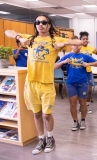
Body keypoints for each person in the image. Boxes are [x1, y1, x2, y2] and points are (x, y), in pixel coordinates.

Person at [5, 14, 83, 155]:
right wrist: (19, 38)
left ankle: (50, 138)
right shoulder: (31, 39)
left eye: (44, 22)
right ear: (35, 25)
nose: (40, 24)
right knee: (36, 114)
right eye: (38, 22)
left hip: (46, 84)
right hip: (31, 83)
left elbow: (79, 42)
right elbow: (8, 32)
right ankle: (41, 139)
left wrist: (64, 44)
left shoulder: (54, 39)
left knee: (47, 115)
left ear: (48, 25)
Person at [55, 35, 97, 131]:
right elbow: (55, 66)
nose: (76, 47)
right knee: (72, 104)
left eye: (78, 45)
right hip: (70, 83)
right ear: (71, 46)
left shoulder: (85, 56)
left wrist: (88, 64)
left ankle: (83, 120)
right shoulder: (67, 56)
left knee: (83, 103)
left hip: (82, 83)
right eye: (74, 45)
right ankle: (75, 122)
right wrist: (63, 62)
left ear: (80, 46)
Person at [78, 31, 97, 113]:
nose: (85, 40)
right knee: (81, 90)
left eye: (86, 39)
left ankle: (86, 105)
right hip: (80, 72)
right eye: (83, 39)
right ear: (80, 40)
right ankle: (81, 106)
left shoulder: (91, 48)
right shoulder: (78, 48)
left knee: (89, 90)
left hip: (88, 72)